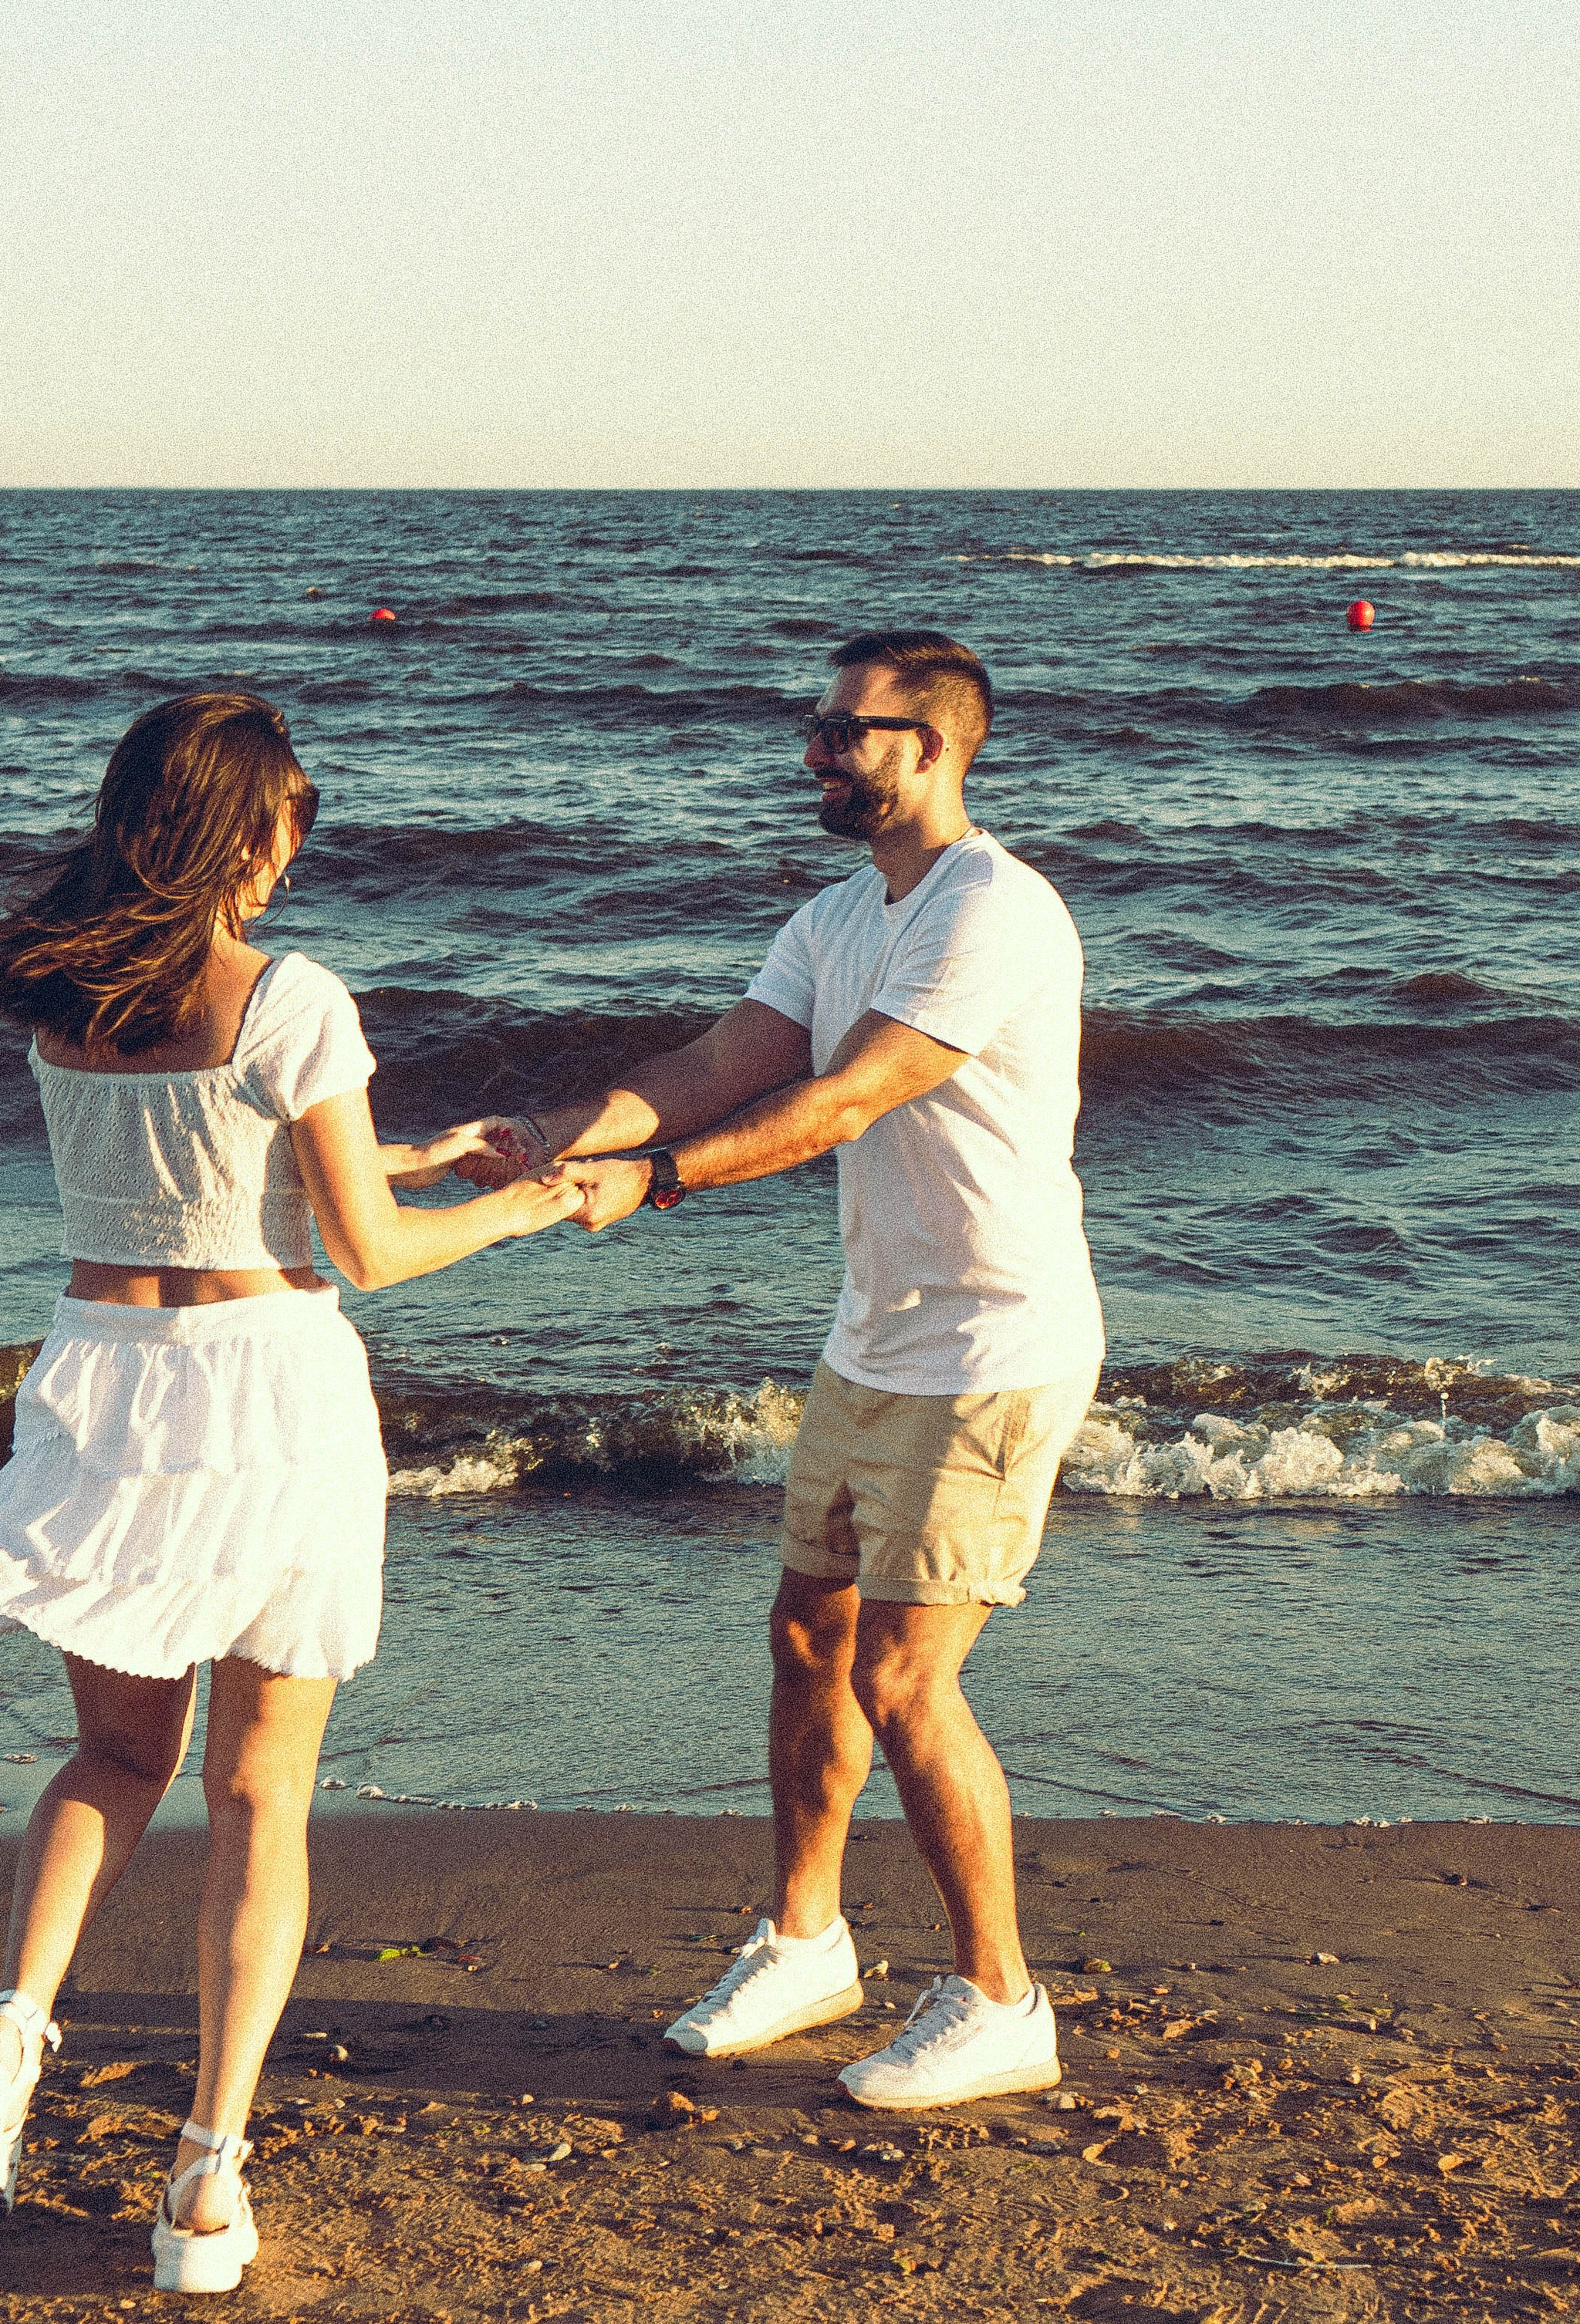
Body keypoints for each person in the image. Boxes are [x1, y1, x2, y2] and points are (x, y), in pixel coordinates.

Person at [451, 629, 1104, 2110]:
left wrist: (660, 1183)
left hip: (993, 1346)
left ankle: (1003, 1999)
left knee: (904, 1676)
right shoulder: (834, 915)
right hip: (874, 1335)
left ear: (935, 747)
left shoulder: (991, 907)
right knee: (809, 1640)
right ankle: (808, 1942)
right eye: (813, 726)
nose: (815, 750)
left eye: (847, 731)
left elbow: (846, 1098)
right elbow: (718, 1062)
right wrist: (567, 1134)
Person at [0, 692, 584, 2293]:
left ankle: (7, 2036)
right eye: (288, 822)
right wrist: (524, 1210)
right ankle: (200, 2184)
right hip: (260, 1396)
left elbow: (188, 1167)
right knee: (259, 1795)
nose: (290, 853)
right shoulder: (292, 993)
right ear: (248, 831)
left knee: (112, 1756)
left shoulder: (68, 988)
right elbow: (363, 1261)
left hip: (100, 1374)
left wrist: (402, 1148)